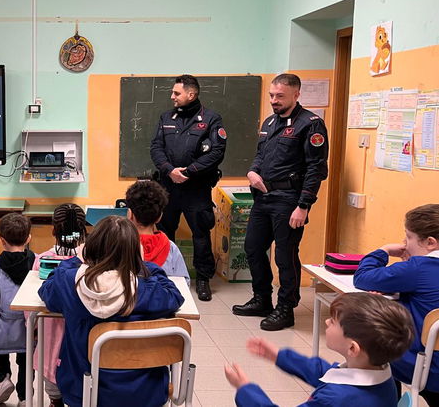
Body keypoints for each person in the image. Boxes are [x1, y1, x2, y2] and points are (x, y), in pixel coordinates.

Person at [38, 216, 184, 407]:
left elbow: (47, 289)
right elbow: (175, 295)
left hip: (84, 392)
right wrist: (142, 263)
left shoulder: (70, 282)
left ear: (91, 246)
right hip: (145, 392)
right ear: (134, 252)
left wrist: (76, 260)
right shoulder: (147, 290)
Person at [233, 73, 329, 331]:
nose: (274, 100)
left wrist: (304, 205)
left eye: (280, 96)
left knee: (286, 255)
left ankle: (286, 308)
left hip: (290, 199)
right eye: (272, 95)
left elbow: (316, 168)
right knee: (253, 248)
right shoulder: (270, 121)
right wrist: (252, 172)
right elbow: (260, 155)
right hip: (264, 197)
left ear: (296, 95)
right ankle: (262, 298)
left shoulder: (311, 124)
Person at [225, 292, 414, 406]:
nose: (326, 321)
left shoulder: (333, 400)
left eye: (333, 322)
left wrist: (246, 389)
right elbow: (326, 371)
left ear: (352, 347)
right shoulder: (384, 376)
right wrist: (279, 356)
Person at [150, 74, 226, 301]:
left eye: (176, 93)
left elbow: (216, 152)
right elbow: (156, 148)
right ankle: (163, 275)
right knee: (164, 233)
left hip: (196, 188)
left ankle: (203, 279)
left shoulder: (211, 119)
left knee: (201, 235)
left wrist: (189, 171)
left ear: (190, 94)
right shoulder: (166, 117)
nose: (172, 96)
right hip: (168, 187)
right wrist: (169, 170)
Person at [353, 204, 439, 405]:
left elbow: (363, 277)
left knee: (377, 347)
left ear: (430, 242)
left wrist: (383, 251)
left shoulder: (418, 268)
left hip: (428, 370)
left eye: (408, 237)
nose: (405, 244)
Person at [29, 203, 88, 407]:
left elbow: (30, 306)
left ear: (53, 230)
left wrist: (33, 330)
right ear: (83, 230)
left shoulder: (42, 260)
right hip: (81, 348)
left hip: (50, 346)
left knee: (55, 394)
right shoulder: (93, 263)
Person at [0, 213, 35, 407]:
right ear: (29, 238)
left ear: (1, 240)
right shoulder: (36, 262)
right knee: (26, 361)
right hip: (28, 323)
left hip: (3, 321)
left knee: (0, 352)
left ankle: (3, 378)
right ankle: (24, 397)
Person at [125, 180, 191, 283]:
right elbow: (183, 283)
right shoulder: (171, 248)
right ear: (159, 217)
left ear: (130, 214)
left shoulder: (119, 246)